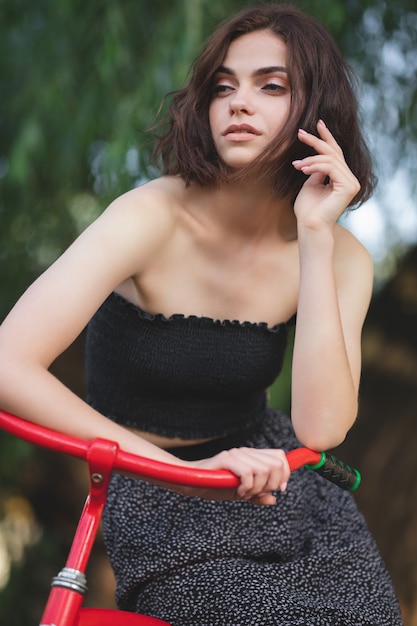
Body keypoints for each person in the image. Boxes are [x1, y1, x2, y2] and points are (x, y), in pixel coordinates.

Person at [0, 3, 403, 625]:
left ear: (318, 111)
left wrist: (317, 236)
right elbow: (8, 363)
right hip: (150, 483)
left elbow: (321, 430)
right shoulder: (151, 217)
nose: (239, 103)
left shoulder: (341, 254)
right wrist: (181, 473)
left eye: (271, 86)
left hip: (273, 478)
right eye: (223, 87)